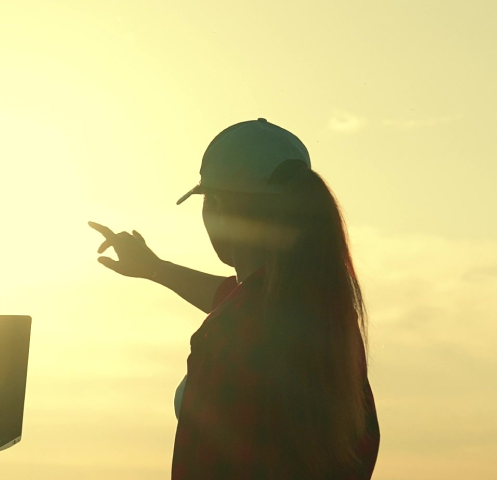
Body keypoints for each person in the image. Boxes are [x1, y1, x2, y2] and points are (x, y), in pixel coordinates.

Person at [90, 119, 381, 479]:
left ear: (220, 208)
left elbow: (200, 465)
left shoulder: (228, 334)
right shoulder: (328, 316)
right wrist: (155, 268)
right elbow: (235, 295)